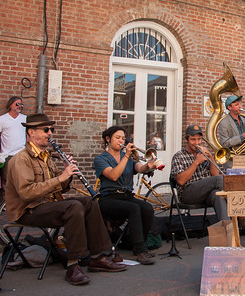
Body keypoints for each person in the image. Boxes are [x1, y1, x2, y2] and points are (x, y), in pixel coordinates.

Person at [5, 113, 126, 286]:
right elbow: (26, 193)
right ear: (31, 133)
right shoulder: (21, 159)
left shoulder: (47, 157)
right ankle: (73, 264)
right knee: (73, 206)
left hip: (48, 205)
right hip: (27, 210)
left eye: (51, 129)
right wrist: (60, 178)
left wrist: (67, 174)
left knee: (89, 202)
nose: (50, 133)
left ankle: (99, 256)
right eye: (45, 130)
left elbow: (59, 186)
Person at [93, 126, 157, 265]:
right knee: (133, 208)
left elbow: (140, 169)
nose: (121, 141)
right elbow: (114, 175)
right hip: (108, 198)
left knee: (147, 208)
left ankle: (139, 244)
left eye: (123, 138)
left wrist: (149, 165)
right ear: (108, 139)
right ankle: (140, 250)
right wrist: (127, 155)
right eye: (117, 138)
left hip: (126, 196)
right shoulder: (100, 159)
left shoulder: (128, 157)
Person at [171, 125, 231, 223]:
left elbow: (215, 174)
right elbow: (181, 181)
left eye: (199, 139)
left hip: (205, 193)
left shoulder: (202, 154)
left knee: (217, 195)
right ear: (186, 139)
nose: (197, 143)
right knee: (219, 179)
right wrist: (196, 162)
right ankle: (241, 211)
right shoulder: (178, 156)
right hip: (188, 193)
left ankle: (227, 230)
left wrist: (211, 157)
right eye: (193, 140)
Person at [0, 96, 27, 195]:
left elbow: (28, 135)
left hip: (21, 154)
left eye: (21, 104)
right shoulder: (2, 119)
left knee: (21, 179)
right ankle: (6, 203)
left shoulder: (24, 118)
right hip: (6, 154)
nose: (19, 106)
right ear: (10, 105)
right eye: (17, 104)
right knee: (6, 180)